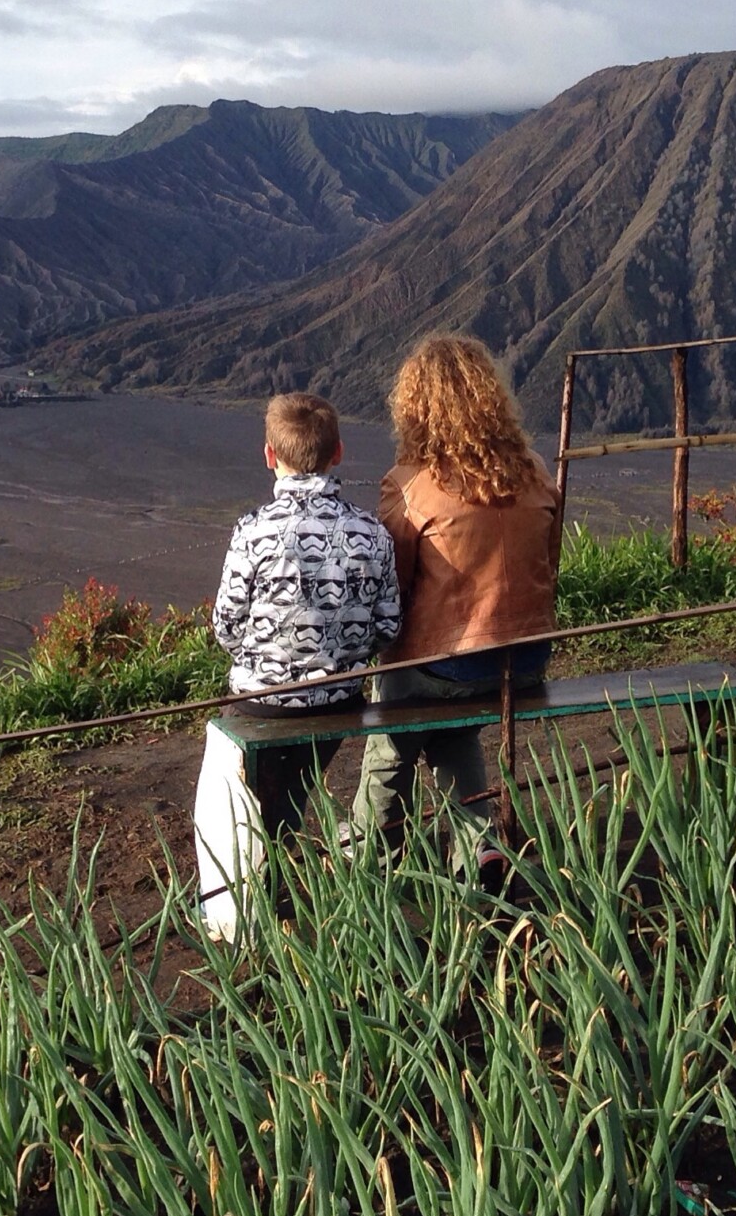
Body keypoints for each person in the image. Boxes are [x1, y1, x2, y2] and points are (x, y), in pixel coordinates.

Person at [193, 392, 400, 940]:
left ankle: (249, 913)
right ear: (339, 453)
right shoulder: (372, 533)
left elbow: (226, 628)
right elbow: (388, 626)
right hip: (341, 703)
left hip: (262, 705)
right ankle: (282, 883)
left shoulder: (251, 533)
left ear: (269, 455)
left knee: (254, 804)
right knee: (286, 795)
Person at [350, 336, 562, 871]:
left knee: (392, 733)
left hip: (447, 663)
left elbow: (390, 592)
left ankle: (370, 853)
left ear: (416, 408)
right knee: (450, 726)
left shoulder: (410, 485)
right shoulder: (536, 469)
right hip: (528, 660)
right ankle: (479, 845)